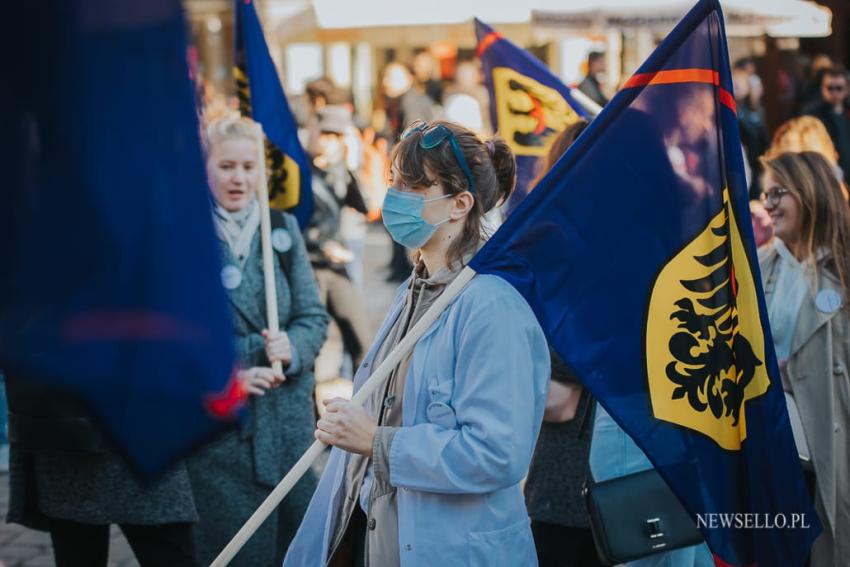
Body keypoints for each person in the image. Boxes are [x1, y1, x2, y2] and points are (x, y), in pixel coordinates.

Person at [284, 120, 550, 567]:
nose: (395, 197)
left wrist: (378, 442)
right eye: (393, 182)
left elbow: (498, 453)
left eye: (414, 185)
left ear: (460, 204)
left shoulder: (491, 305)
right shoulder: (416, 288)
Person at [187, 116, 329, 566]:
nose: (239, 178)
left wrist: (294, 347)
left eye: (249, 167)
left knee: (301, 550)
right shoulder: (186, 238)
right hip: (225, 436)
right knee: (237, 551)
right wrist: (227, 372)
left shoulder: (280, 229)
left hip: (287, 430)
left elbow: (312, 315)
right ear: (205, 168)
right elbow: (175, 336)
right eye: (226, 166)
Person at [758, 151, 850, 567]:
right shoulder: (758, 268)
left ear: (810, 194)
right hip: (771, 453)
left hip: (827, 453)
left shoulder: (844, 273)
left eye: (780, 192)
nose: (770, 204)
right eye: (765, 194)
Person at [522, 120, 604, 567]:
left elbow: (561, 400)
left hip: (579, 482)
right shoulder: (557, 255)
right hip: (582, 480)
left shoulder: (586, 263)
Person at [305, 105, 372, 377]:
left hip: (336, 266)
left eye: (336, 136)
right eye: (325, 134)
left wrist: (351, 164)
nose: (329, 141)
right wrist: (320, 247)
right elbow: (286, 224)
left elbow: (364, 206)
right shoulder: (297, 171)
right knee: (309, 346)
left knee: (363, 343)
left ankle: (360, 407)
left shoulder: (339, 171)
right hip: (307, 266)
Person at [807, 68, 850, 177]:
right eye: (830, 88)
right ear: (822, 88)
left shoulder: (847, 112)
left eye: (839, 88)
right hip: (827, 174)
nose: (834, 92)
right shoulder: (813, 115)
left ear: (846, 89)